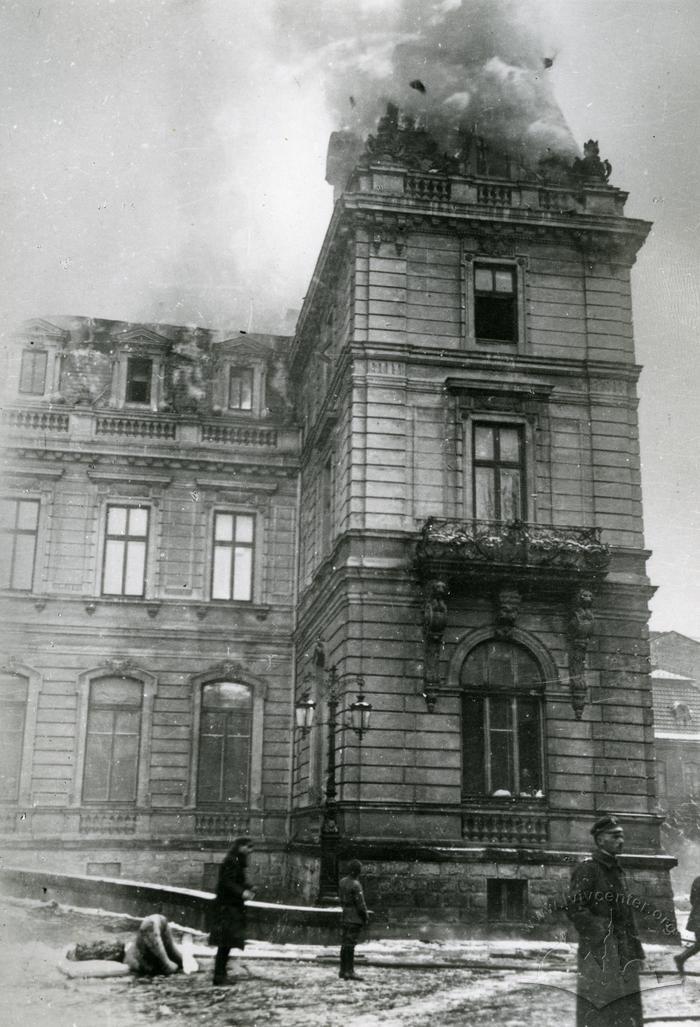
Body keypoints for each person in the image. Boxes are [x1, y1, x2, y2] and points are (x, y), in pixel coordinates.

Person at [567, 815, 645, 1027]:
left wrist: (636, 951)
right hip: (599, 954)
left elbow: (626, 915)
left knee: (625, 1010)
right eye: (615, 836)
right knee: (600, 1010)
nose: (621, 841)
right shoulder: (589, 869)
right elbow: (575, 907)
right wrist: (601, 932)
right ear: (601, 840)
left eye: (622, 836)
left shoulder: (616, 869)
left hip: (623, 951)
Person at [67, 913, 190, 976]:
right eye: (98, 944)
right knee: (153, 923)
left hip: (136, 955)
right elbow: (149, 925)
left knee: (157, 923)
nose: (102, 941)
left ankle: (174, 961)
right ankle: (170, 963)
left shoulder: (128, 951)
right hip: (136, 958)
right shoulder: (130, 957)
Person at [208, 836, 255, 986]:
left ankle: (221, 974)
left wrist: (248, 887)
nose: (250, 850)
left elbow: (236, 881)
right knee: (225, 943)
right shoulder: (232, 860)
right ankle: (219, 976)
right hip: (227, 909)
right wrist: (242, 893)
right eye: (248, 847)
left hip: (230, 908)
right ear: (240, 846)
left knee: (227, 943)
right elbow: (227, 882)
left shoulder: (236, 860)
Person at [338, 858, 369, 981]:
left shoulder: (342, 881)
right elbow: (361, 904)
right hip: (354, 918)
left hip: (345, 915)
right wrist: (365, 916)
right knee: (350, 945)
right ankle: (349, 971)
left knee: (345, 944)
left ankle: (342, 970)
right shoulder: (356, 885)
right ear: (357, 871)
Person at [674, 874, 700, 973]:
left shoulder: (697, 880)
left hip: (697, 917)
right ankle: (681, 958)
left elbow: (692, 899)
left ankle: (681, 958)